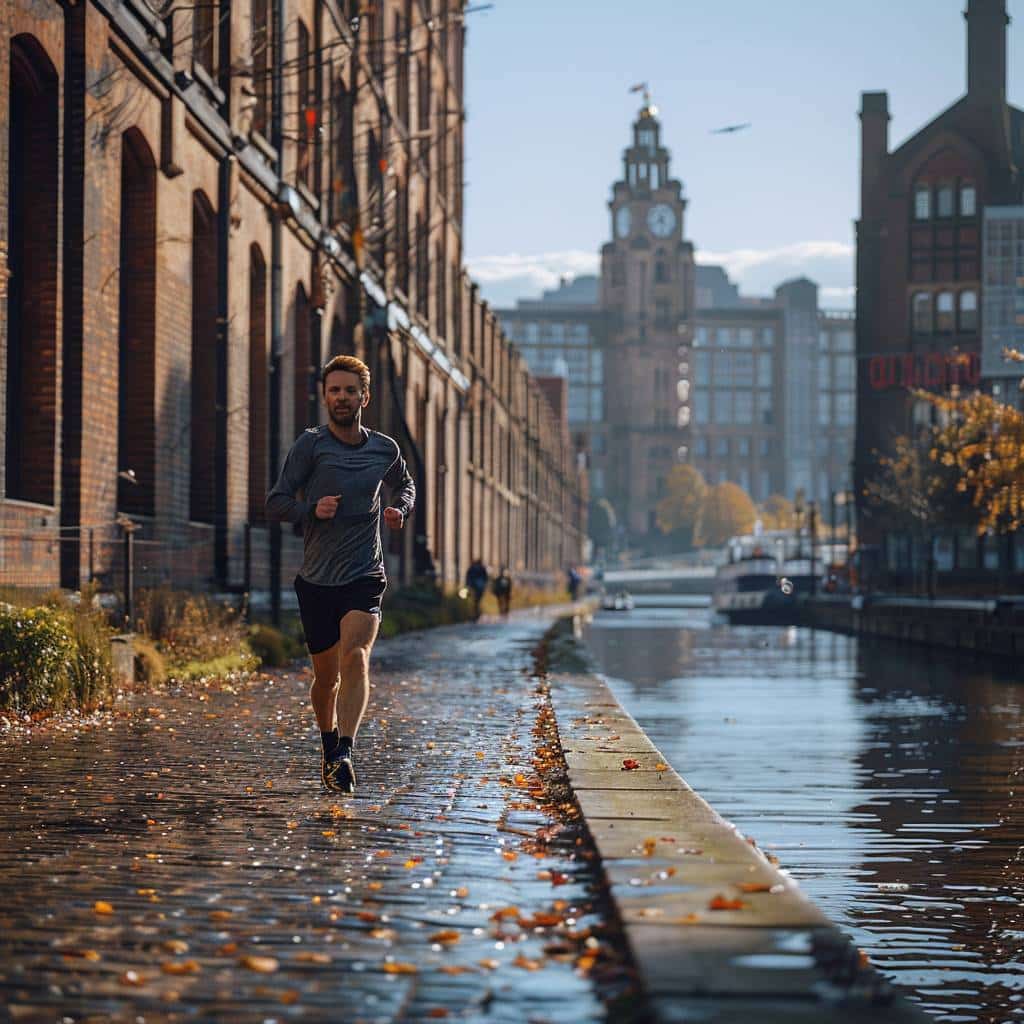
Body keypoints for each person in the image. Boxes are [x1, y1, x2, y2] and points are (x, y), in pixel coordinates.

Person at [266, 354, 415, 795]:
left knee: (357, 658)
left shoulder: (384, 448)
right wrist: (311, 510)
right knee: (325, 679)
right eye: (335, 390)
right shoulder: (310, 446)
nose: (343, 397)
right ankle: (328, 742)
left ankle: (345, 750)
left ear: (364, 397)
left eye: (351, 390)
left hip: (365, 571)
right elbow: (275, 503)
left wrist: (399, 509)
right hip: (316, 579)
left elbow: (405, 484)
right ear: (325, 396)